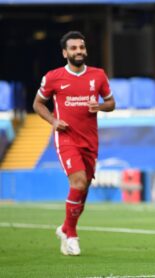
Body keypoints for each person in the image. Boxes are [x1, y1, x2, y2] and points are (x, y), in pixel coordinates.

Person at [33, 31, 115, 256]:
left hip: (90, 140)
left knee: (84, 188)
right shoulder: (53, 77)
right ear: (64, 52)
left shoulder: (98, 75)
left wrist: (99, 106)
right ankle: (72, 235)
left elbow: (111, 103)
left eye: (81, 47)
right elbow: (38, 104)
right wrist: (53, 120)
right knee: (78, 182)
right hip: (66, 137)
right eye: (73, 48)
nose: (79, 51)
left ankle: (66, 228)